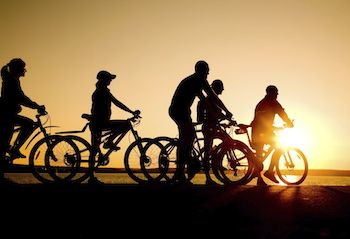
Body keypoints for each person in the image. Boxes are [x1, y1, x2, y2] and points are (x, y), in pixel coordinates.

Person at [169, 61, 233, 184]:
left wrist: (220, 112)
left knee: (187, 138)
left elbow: (205, 99)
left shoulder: (195, 81)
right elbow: (213, 97)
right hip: (179, 111)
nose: (208, 72)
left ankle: (181, 170)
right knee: (188, 137)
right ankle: (180, 172)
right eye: (207, 70)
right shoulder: (199, 80)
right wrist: (226, 111)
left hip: (181, 111)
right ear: (202, 70)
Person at [88, 70, 140, 184]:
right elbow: (117, 103)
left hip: (98, 122)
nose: (110, 80)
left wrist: (130, 111)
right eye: (109, 79)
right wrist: (131, 111)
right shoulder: (102, 91)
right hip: (99, 122)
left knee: (94, 149)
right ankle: (109, 142)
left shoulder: (101, 90)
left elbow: (115, 103)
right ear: (104, 80)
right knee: (125, 124)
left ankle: (91, 177)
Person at [0, 58, 45, 183]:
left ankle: (12, 150)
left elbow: (21, 97)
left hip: (7, 113)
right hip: (6, 114)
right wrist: (36, 106)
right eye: (22, 68)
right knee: (28, 124)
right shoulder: (11, 80)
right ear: (17, 69)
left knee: (4, 141)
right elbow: (20, 97)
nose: (24, 70)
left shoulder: (11, 78)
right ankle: (14, 149)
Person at [251, 85, 294, 185]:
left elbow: (261, 119)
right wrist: (289, 123)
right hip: (265, 132)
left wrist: (273, 127)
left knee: (259, 156)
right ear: (272, 93)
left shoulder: (260, 103)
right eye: (276, 92)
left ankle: (259, 179)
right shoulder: (273, 102)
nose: (277, 94)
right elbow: (282, 113)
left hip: (256, 131)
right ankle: (270, 172)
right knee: (279, 147)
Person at [197, 79, 231, 185]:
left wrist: (226, 118)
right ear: (217, 88)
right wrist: (226, 116)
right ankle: (208, 177)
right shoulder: (210, 99)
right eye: (221, 88)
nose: (222, 90)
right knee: (207, 150)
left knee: (223, 139)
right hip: (208, 127)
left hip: (212, 126)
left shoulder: (214, 99)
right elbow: (215, 113)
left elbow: (218, 113)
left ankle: (215, 153)